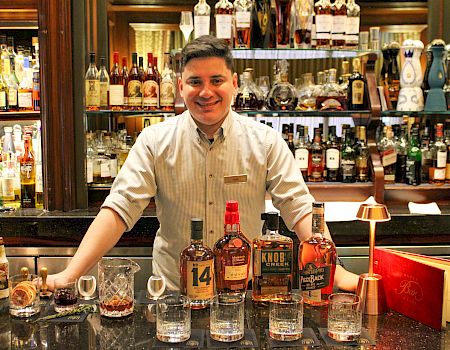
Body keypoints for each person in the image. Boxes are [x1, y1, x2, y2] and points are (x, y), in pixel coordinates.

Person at [47, 35, 358, 292]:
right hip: (173, 294)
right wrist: (71, 273)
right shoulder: (155, 140)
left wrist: (335, 270)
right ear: (181, 86)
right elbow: (118, 209)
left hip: (241, 290)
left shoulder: (265, 141)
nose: (206, 92)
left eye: (217, 80)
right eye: (195, 81)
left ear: (234, 84)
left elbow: (299, 207)